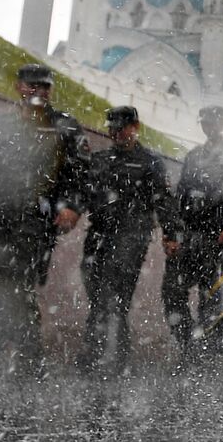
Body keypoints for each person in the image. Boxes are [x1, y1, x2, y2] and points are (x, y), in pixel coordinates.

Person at [0, 63, 90, 376]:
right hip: (1, 218)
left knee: (17, 288)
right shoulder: (1, 125)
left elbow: (82, 176)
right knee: (11, 288)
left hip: (37, 221)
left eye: (44, 86)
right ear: (19, 87)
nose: (37, 91)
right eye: (31, 85)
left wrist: (72, 207)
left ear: (50, 90)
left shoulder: (65, 127)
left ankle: (25, 360)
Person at [77, 107, 179, 373]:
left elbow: (164, 201)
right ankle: (97, 350)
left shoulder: (149, 163)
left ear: (135, 127)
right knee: (97, 293)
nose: (116, 133)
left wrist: (170, 234)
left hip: (131, 237)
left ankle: (112, 356)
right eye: (112, 128)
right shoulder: (100, 158)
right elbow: (85, 190)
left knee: (114, 297)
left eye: (121, 128)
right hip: (98, 235)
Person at [164, 105, 223, 359]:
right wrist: (171, 233)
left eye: (213, 122)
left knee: (212, 298)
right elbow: (180, 197)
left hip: (218, 239)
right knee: (172, 292)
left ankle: (204, 354)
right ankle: (188, 344)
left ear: (222, 123)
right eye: (205, 123)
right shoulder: (193, 157)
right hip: (190, 235)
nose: (208, 127)